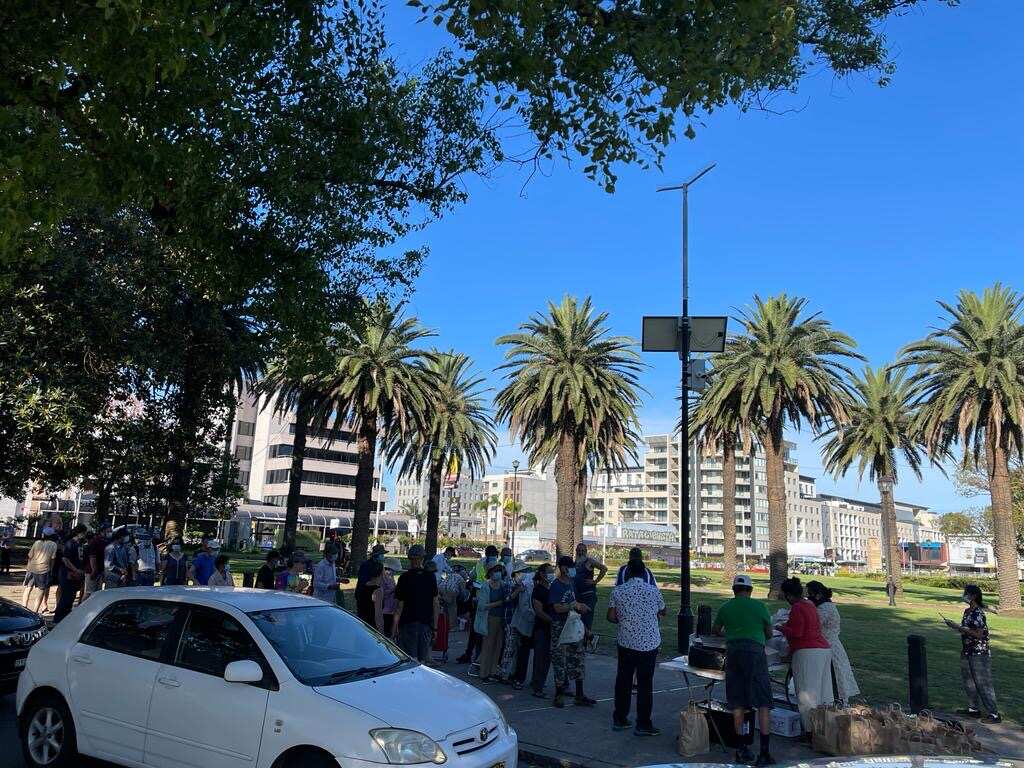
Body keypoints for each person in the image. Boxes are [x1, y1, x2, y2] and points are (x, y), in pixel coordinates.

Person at [712, 574, 775, 766]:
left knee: (737, 700)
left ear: (734, 590)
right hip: (755, 652)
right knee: (763, 702)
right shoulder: (759, 606)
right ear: (750, 590)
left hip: (733, 652)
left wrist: (730, 633)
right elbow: (769, 633)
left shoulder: (725, 607)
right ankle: (764, 753)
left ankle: (741, 749)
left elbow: (716, 630)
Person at [608, 558, 666, 736]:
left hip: (626, 642)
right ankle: (643, 723)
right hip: (649, 644)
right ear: (644, 573)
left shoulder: (618, 591)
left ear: (628, 573)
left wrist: (625, 620)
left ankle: (620, 718)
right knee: (645, 684)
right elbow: (662, 611)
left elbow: (611, 616)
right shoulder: (654, 591)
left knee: (623, 680)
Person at [777, 577, 833, 732]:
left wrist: (782, 628)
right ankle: (827, 727)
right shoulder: (809, 605)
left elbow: (797, 633)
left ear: (789, 595)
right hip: (823, 649)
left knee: (807, 694)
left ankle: (810, 731)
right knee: (823, 692)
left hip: (807, 652)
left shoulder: (797, 607)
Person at [945, 584, 1001, 723]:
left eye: (966, 593)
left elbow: (979, 634)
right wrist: (955, 626)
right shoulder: (967, 611)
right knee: (968, 681)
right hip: (967, 650)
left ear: (974, 596)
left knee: (983, 683)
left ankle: (993, 714)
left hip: (979, 652)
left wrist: (959, 627)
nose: (964, 596)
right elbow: (966, 629)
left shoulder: (978, 613)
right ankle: (973, 709)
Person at [549, 555, 595, 708]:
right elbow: (556, 607)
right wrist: (573, 605)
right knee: (560, 660)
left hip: (573, 624)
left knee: (578, 659)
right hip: (559, 626)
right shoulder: (556, 585)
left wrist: (580, 607)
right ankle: (559, 694)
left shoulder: (571, 584)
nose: (572, 570)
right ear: (562, 568)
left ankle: (580, 695)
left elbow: (574, 604)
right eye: (569, 567)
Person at [807, 581, 860, 705]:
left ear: (818, 595)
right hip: (827, 645)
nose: (808, 597)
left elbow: (814, 624)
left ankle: (835, 702)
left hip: (829, 647)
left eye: (810, 594)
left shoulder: (825, 608)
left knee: (834, 677)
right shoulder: (824, 606)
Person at [393, 544, 439, 663]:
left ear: (409, 559)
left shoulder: (404, 578)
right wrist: (435, 627)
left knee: (409, 659)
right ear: (422, 559)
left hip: (408, 623)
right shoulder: (430, 577)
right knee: (422, 661)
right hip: (426, 623)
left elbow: (399, 606)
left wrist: (394, 627)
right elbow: (435, 603)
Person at [499, 561, 535, 688]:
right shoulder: (513, 585)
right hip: (511, 621)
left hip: (520, 621)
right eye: (521, 573)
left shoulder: (528, 585)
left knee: (518, 649)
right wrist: (518, 590)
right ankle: (503, 673)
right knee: (510, 648)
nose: (524, 575)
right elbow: (508, 599)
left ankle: (512, 673)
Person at [475, 563, 511, 681]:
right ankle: (483, 673)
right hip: (490, 618)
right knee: (488, 646)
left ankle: (493, 671)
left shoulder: (503, 585)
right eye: (496, 571)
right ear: (490, 573)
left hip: (502, 619)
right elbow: (482, 606)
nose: (498, 573)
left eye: (500, 571)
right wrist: (499, 603)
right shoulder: (486, 586)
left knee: (498, 646)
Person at [530, 562, 554, 698]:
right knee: (542, 658)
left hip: (548, 628)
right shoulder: (538, 590)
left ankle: (537, 682)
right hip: (542, 628)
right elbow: (538, 611)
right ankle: (538, 687)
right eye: (549, 571)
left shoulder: (550, 587)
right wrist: (552, 620)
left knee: (545, 658)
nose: (551, 573)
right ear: (543, 574)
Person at [54, 526, 87, 623]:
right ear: (79, 533)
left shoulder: (79, 544)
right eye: (83, 533)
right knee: (66, 597)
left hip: (75, 575)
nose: (84, 535)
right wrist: (76, 570)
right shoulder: (70, 543)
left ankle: (65, 618)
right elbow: (65, 559)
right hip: (67, 574)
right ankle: (58, 619)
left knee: (71, 598)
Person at [574, 543, 607, 633]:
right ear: (576, 551)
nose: (580, 552)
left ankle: (588, 640)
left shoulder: (589, 561)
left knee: (587, 618)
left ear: (586, 551)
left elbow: (604, 568)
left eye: (583, 550)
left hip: (588, 595)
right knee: (577, 618)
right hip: (577, 595)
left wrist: (595, 581)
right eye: (579, 550)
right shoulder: (574, 563)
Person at [22, 534, 58, 614]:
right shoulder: (53, 545)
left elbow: (30, 555)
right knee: (41, 590)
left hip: (31, 568)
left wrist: (28, 566)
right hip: (43, 569)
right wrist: (51, 569)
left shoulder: (37, 542)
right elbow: (53, 559)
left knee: (28, 588)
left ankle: (24, 607)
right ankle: (35, 611)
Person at [83, 524, 111, 597]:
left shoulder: (105, 541)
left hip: (99, 571)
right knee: (89, 593)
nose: (110, 532)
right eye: (109, 531)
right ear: (103, 531)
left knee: (96, 594)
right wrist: (94, 570)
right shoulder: (95, 541)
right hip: (92, 571)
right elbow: (92, 557)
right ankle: (82, 607)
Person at [380, 558, 401, 635]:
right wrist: (394, 589)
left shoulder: (390, 576)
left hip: (391, 607)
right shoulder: (385, 576)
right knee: (386, 630)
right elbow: (383, 593)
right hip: (386, 609)